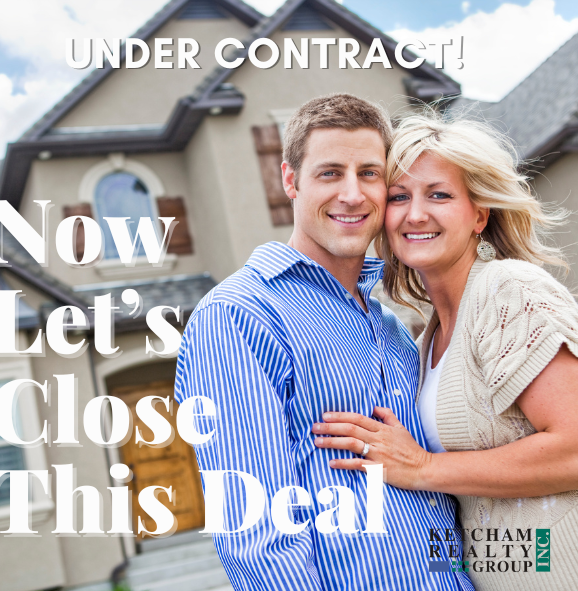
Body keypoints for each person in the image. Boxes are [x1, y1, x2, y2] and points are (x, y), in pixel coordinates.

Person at [175, 94, 473, 591]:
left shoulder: (389, 323)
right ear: (290, 181)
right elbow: (256, 532)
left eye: (369, 173)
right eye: (330, 172)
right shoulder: (237, 316)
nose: (353, 194)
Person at [313, 110, 578, 590]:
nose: (415, 213)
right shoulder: (421, 341)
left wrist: (422, 466)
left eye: (439, 194)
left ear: (479, 214)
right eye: (399, 197)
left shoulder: (507, 290)